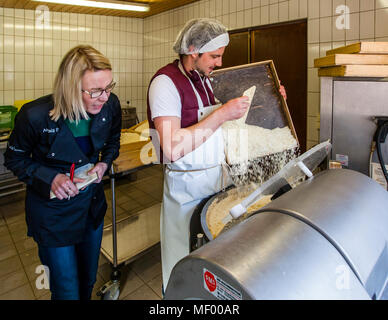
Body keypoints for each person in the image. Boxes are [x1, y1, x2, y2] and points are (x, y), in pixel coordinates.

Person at [147, 18, 287, 292]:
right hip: (187, 189)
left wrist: (273, 98)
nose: (220, 62)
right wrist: (221, 114)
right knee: (183, 261)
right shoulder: (165, 83)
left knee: (212, 263)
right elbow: (171, 148)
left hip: (218, 183)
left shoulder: (206, 81)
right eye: (214, 56)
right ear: (192, 49)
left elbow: (237, 122)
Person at [4, 45, 122, 300]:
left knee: (88, 276)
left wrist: (105, 163)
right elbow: (14, 158)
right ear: (70, 87)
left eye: (109, 86)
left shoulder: (110, 105)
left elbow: (113, 141)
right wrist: (50, 178)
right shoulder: (35, 116)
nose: (104, 97)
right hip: (53, 213)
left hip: (90, 205)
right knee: (66, 286)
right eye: (95, 91)